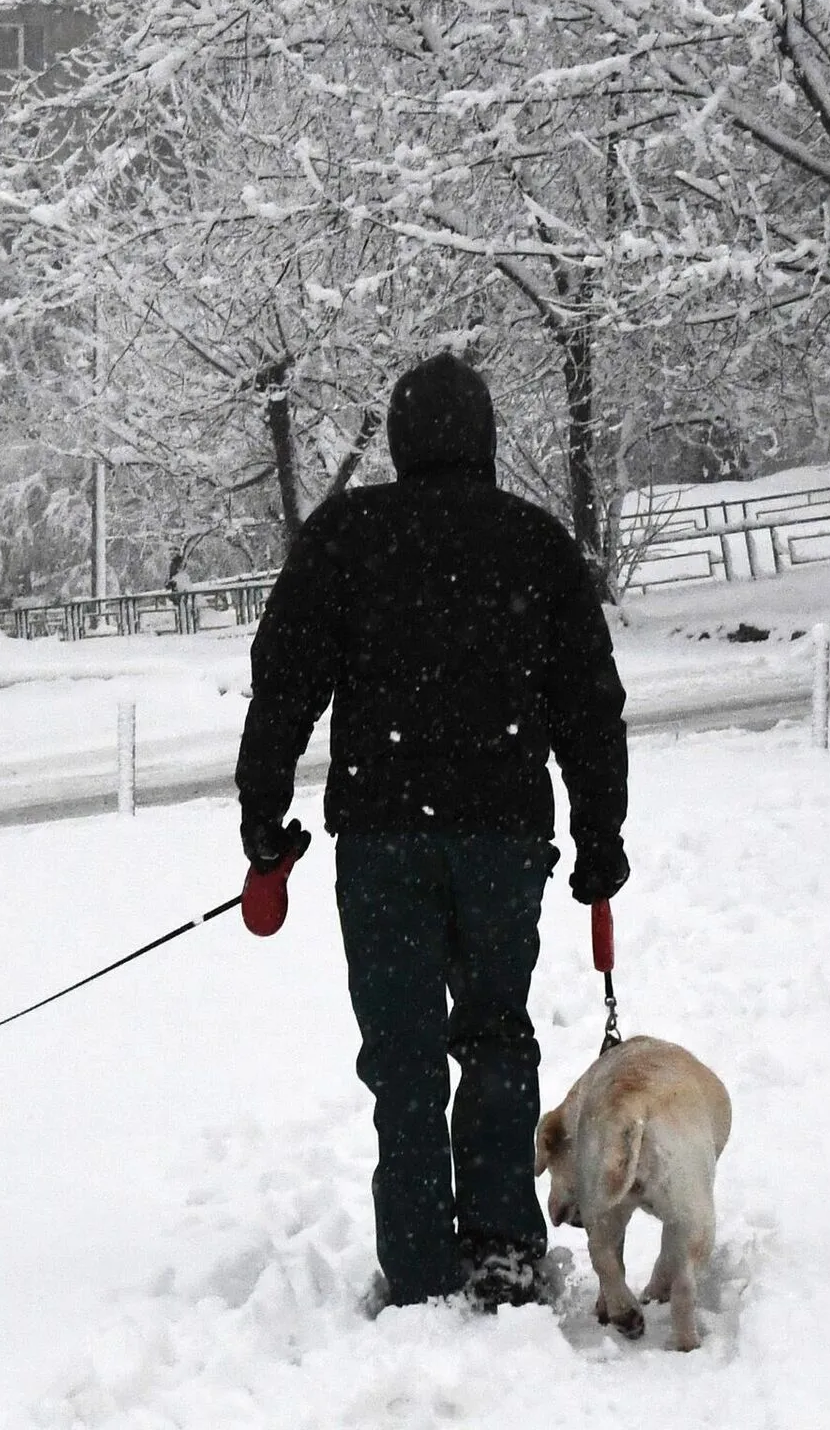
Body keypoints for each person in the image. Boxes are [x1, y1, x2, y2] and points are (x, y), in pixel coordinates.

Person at [234, 352, 629, 1312]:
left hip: (381, 839)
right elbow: (589, 703)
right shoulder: (535, 545)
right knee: (496, 1036)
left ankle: (414, 1263)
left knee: (403, 1053)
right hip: (501, 837)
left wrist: (263, 814)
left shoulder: (346, 538)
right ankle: (499, 1249)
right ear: (485, 440)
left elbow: (282, 679)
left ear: (402, 441)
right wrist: (599, 833)